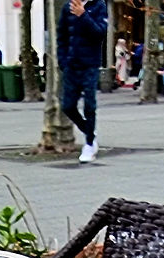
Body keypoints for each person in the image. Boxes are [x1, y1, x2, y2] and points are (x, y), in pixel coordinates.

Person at [57, 0, 108, 163]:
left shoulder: (98, 6)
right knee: (68, 106)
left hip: (90, 64)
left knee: (89, 105)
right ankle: (89, 132)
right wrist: (63, 61)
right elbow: (62, 36)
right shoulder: (67, 7)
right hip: (72, 65)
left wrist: (83, 15)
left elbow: (100, 33)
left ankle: (88, 144)